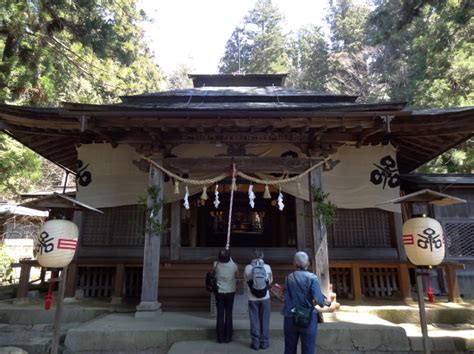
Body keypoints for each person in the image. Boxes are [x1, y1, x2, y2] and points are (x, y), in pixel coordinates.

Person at [282, 251, 327, 354]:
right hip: (307, 316)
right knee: (308, 349)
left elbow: (286, 296)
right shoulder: (312, 278)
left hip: (290, 316)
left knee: (289, 348)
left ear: (294, 263)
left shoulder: (289, 277)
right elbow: (319, 300)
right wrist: (325, 302)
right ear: (308, 264)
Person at [244, 249, 273, 350]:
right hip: (265, 297)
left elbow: (246, 280)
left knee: (254, 320)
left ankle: (255, 343)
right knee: (265, 320)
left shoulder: (248, 267)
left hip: (252, 298)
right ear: (262, 256)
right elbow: (270, 281)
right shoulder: (267, 267)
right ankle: (264, 342)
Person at [214, 248, 238, 343]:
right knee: (228, 314)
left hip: (219, 292)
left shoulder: (216, 265)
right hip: (230, 292)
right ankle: (228, 337)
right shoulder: (233, 266)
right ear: (229, 257)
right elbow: (237, 274)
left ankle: (220, 338)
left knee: (220, 314)